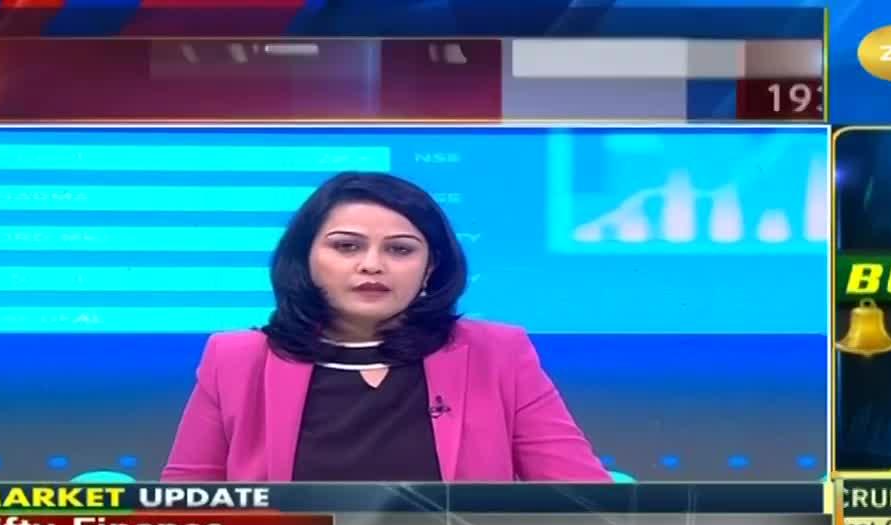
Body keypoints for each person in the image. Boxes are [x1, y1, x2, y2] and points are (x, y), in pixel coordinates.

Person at [164, 171, 610, 483]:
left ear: (430, 266)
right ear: (305, 259)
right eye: (347, 247)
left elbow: (582, 498)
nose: (372, 265)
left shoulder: (497, 353)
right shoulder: (236, 360)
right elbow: (183, 513)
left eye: (400, 250)